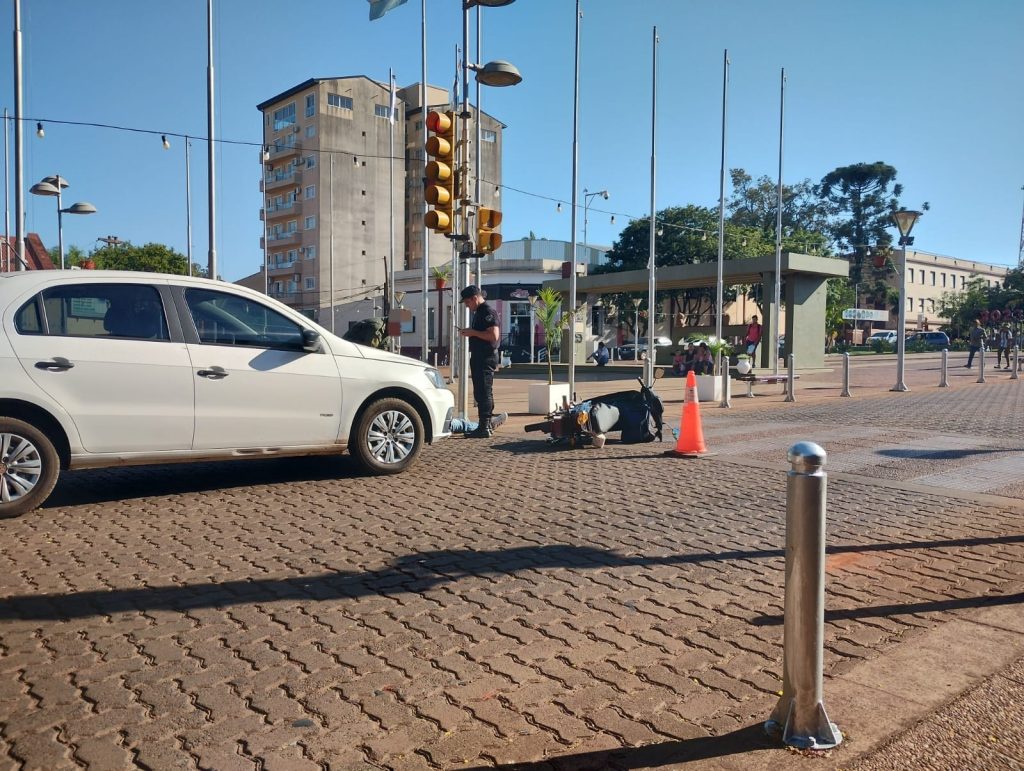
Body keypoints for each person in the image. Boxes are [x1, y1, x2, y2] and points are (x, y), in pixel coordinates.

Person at [459, 285, 501, 437]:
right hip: (479, 356)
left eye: (467, 302)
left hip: (485, 356)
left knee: (484, 391)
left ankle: (484, 426)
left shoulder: (487, 311)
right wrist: (472, 333)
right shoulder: (479, 312)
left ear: (474, 298)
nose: (467, 306)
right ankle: (486, 424)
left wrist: (473, 332)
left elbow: (493, 335)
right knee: (481, 391)